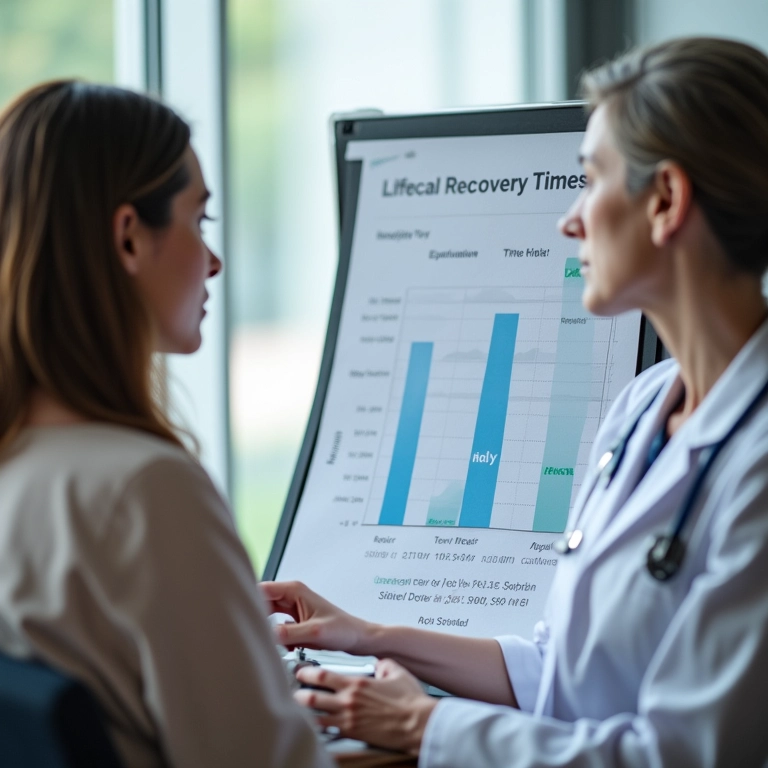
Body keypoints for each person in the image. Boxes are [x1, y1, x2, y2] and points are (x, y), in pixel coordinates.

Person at [262, 37, 768, 766]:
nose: (569, 220)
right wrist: (364, 635)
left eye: (590, 181)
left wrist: (421, 727)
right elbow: (556, 670)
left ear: (665, 201)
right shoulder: (643, 406)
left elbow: (679, 756)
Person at [0, 81, 333, 768]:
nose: (212, 261)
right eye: (198, 221)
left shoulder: (22, 465)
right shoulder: (145, 491)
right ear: (129, 237)